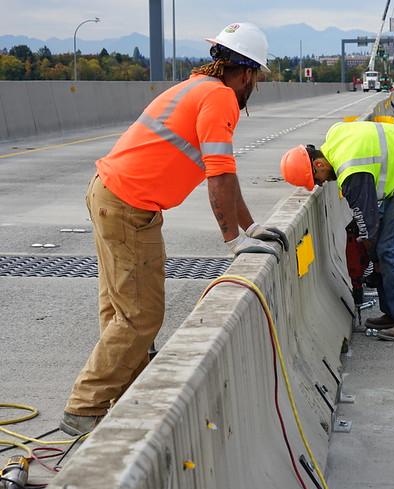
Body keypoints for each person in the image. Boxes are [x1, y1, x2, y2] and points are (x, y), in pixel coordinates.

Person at [60, 22, 285, 436]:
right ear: (249, 73)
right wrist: (234, 240)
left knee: (120, 309)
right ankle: (85, 406)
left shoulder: (195, 86)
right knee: (141, 316)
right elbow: (218, 174)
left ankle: (126, 397)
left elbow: (226, 176)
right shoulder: (221, 99)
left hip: (111, 195)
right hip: (129, 205)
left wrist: (250, 226)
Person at [280, 121, 394, 341]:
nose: (321, 184)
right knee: (382, 250)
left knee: (391, 253)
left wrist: (371, 253)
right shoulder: (335, 137)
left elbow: (367, 224)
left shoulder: (351, 171)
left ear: (319, 164)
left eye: (316, 180)